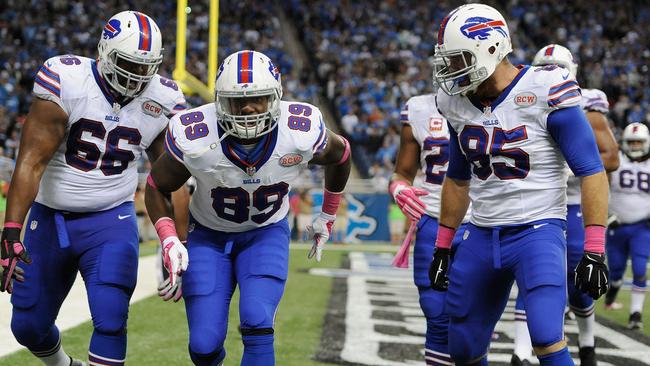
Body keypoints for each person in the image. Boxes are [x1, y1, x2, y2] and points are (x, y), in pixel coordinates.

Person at [0, 11, 188, 366]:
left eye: (144, 68)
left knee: (112, 317)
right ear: (104, 51)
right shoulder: (67, 79)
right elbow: (31, 161)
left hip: (110, 220)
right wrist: (11, 229)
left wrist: (176, 241)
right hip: (50, 218)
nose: (135, 77)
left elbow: (169, 179)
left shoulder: (163, 99)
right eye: (127, 64)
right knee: (27, 325)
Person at [429, 4, 610, 365]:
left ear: (491, 48)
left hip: (537, 229)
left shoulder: (544, 88)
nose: (451, 70)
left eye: (459, 59)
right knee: (462, 346)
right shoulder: (454, 103)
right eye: (447, 61)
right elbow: (458, 178)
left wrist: (594, 248)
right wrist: (443, 246)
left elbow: (591, 169)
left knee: (545, 334)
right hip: (481, 233)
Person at [144, 50, 351, 366]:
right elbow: (157, 186)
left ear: (277, 97)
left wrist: (328, 213)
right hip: (208, 237)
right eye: (236, 101)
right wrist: (169, 237)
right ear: (218, 101)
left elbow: (341, 154)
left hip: (265, 233)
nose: (248, 109)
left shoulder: (300, 129)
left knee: (257, 320)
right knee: (203, 344)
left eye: (259, 99)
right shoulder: (194, 134)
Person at [510, 43, 620, 366]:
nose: (550, 74)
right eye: (544, 68)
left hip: (573, 202)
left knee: (578, 282)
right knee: (531, 275)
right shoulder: (520, 99)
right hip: (535, 202)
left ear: (571, 71)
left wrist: (577, 163)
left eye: (557, 67)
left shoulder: (586, 104)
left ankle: (587, 344)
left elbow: (611, 157)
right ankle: (520, 351)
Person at [389, 90, 470, 365]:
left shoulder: (501, 102)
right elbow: (403, 172)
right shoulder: (420, 108)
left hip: (483, 223)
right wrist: (398, 188)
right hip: (433, 219)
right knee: (435, 311)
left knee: (472, 318)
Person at [604, 122, 650, 330]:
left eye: (639, 142)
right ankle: (613, 291)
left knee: (640, 268)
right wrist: (606, 214)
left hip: (642, 226)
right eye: (631, 142)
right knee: (616, 272)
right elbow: (602, 189)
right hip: (617, 224)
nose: (634, 146)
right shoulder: (616, 161)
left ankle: (635, 314)